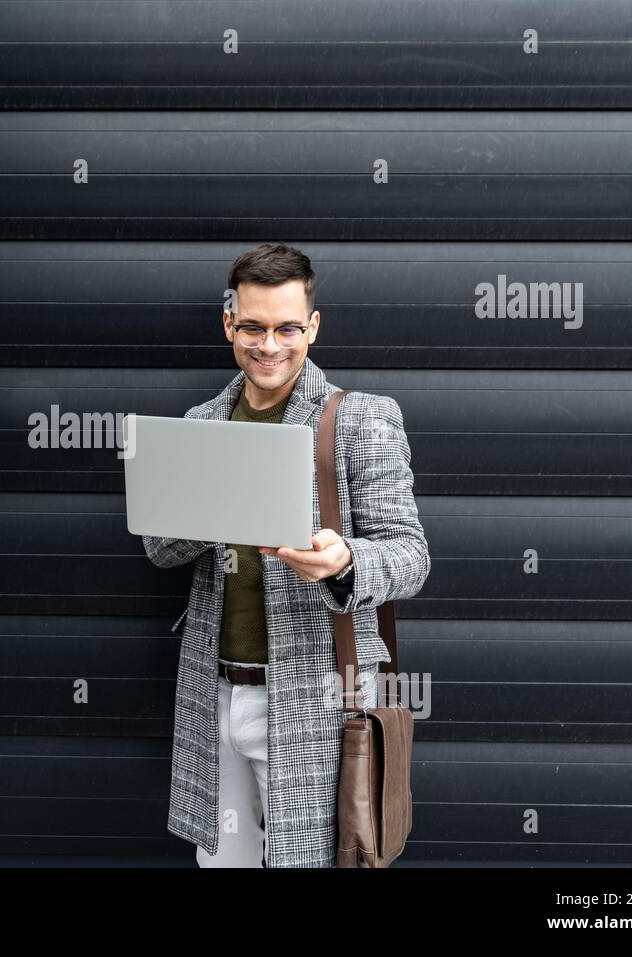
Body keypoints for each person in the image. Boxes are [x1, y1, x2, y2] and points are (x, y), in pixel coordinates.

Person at [142, 242, 430, 867]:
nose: (269, 345)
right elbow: (161, 548)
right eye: (253, 326)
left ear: (312, 327)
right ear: (229, 324)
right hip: (213, 694)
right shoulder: (201, 424)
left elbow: (411, 557)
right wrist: (217, 512)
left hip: (317, 700)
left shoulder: (362, 421)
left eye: (286, 328)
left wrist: (346, 562)